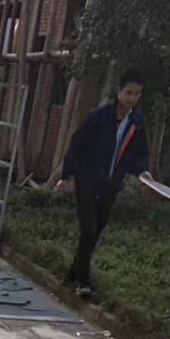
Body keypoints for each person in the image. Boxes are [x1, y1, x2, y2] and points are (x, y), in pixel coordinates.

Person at [56, 69, 153, 300]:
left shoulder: (137, 122)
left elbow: (138, 153)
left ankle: (72, 275)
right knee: (88, 229)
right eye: (129, 92)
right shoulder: (98, 117)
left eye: (137, 94)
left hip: (111, 185)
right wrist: (67, 176)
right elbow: (77, 145)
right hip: (87, 181)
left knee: (96, 231)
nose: (132, 98)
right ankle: (83, 283)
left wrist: (143, 171)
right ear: (119, 91)